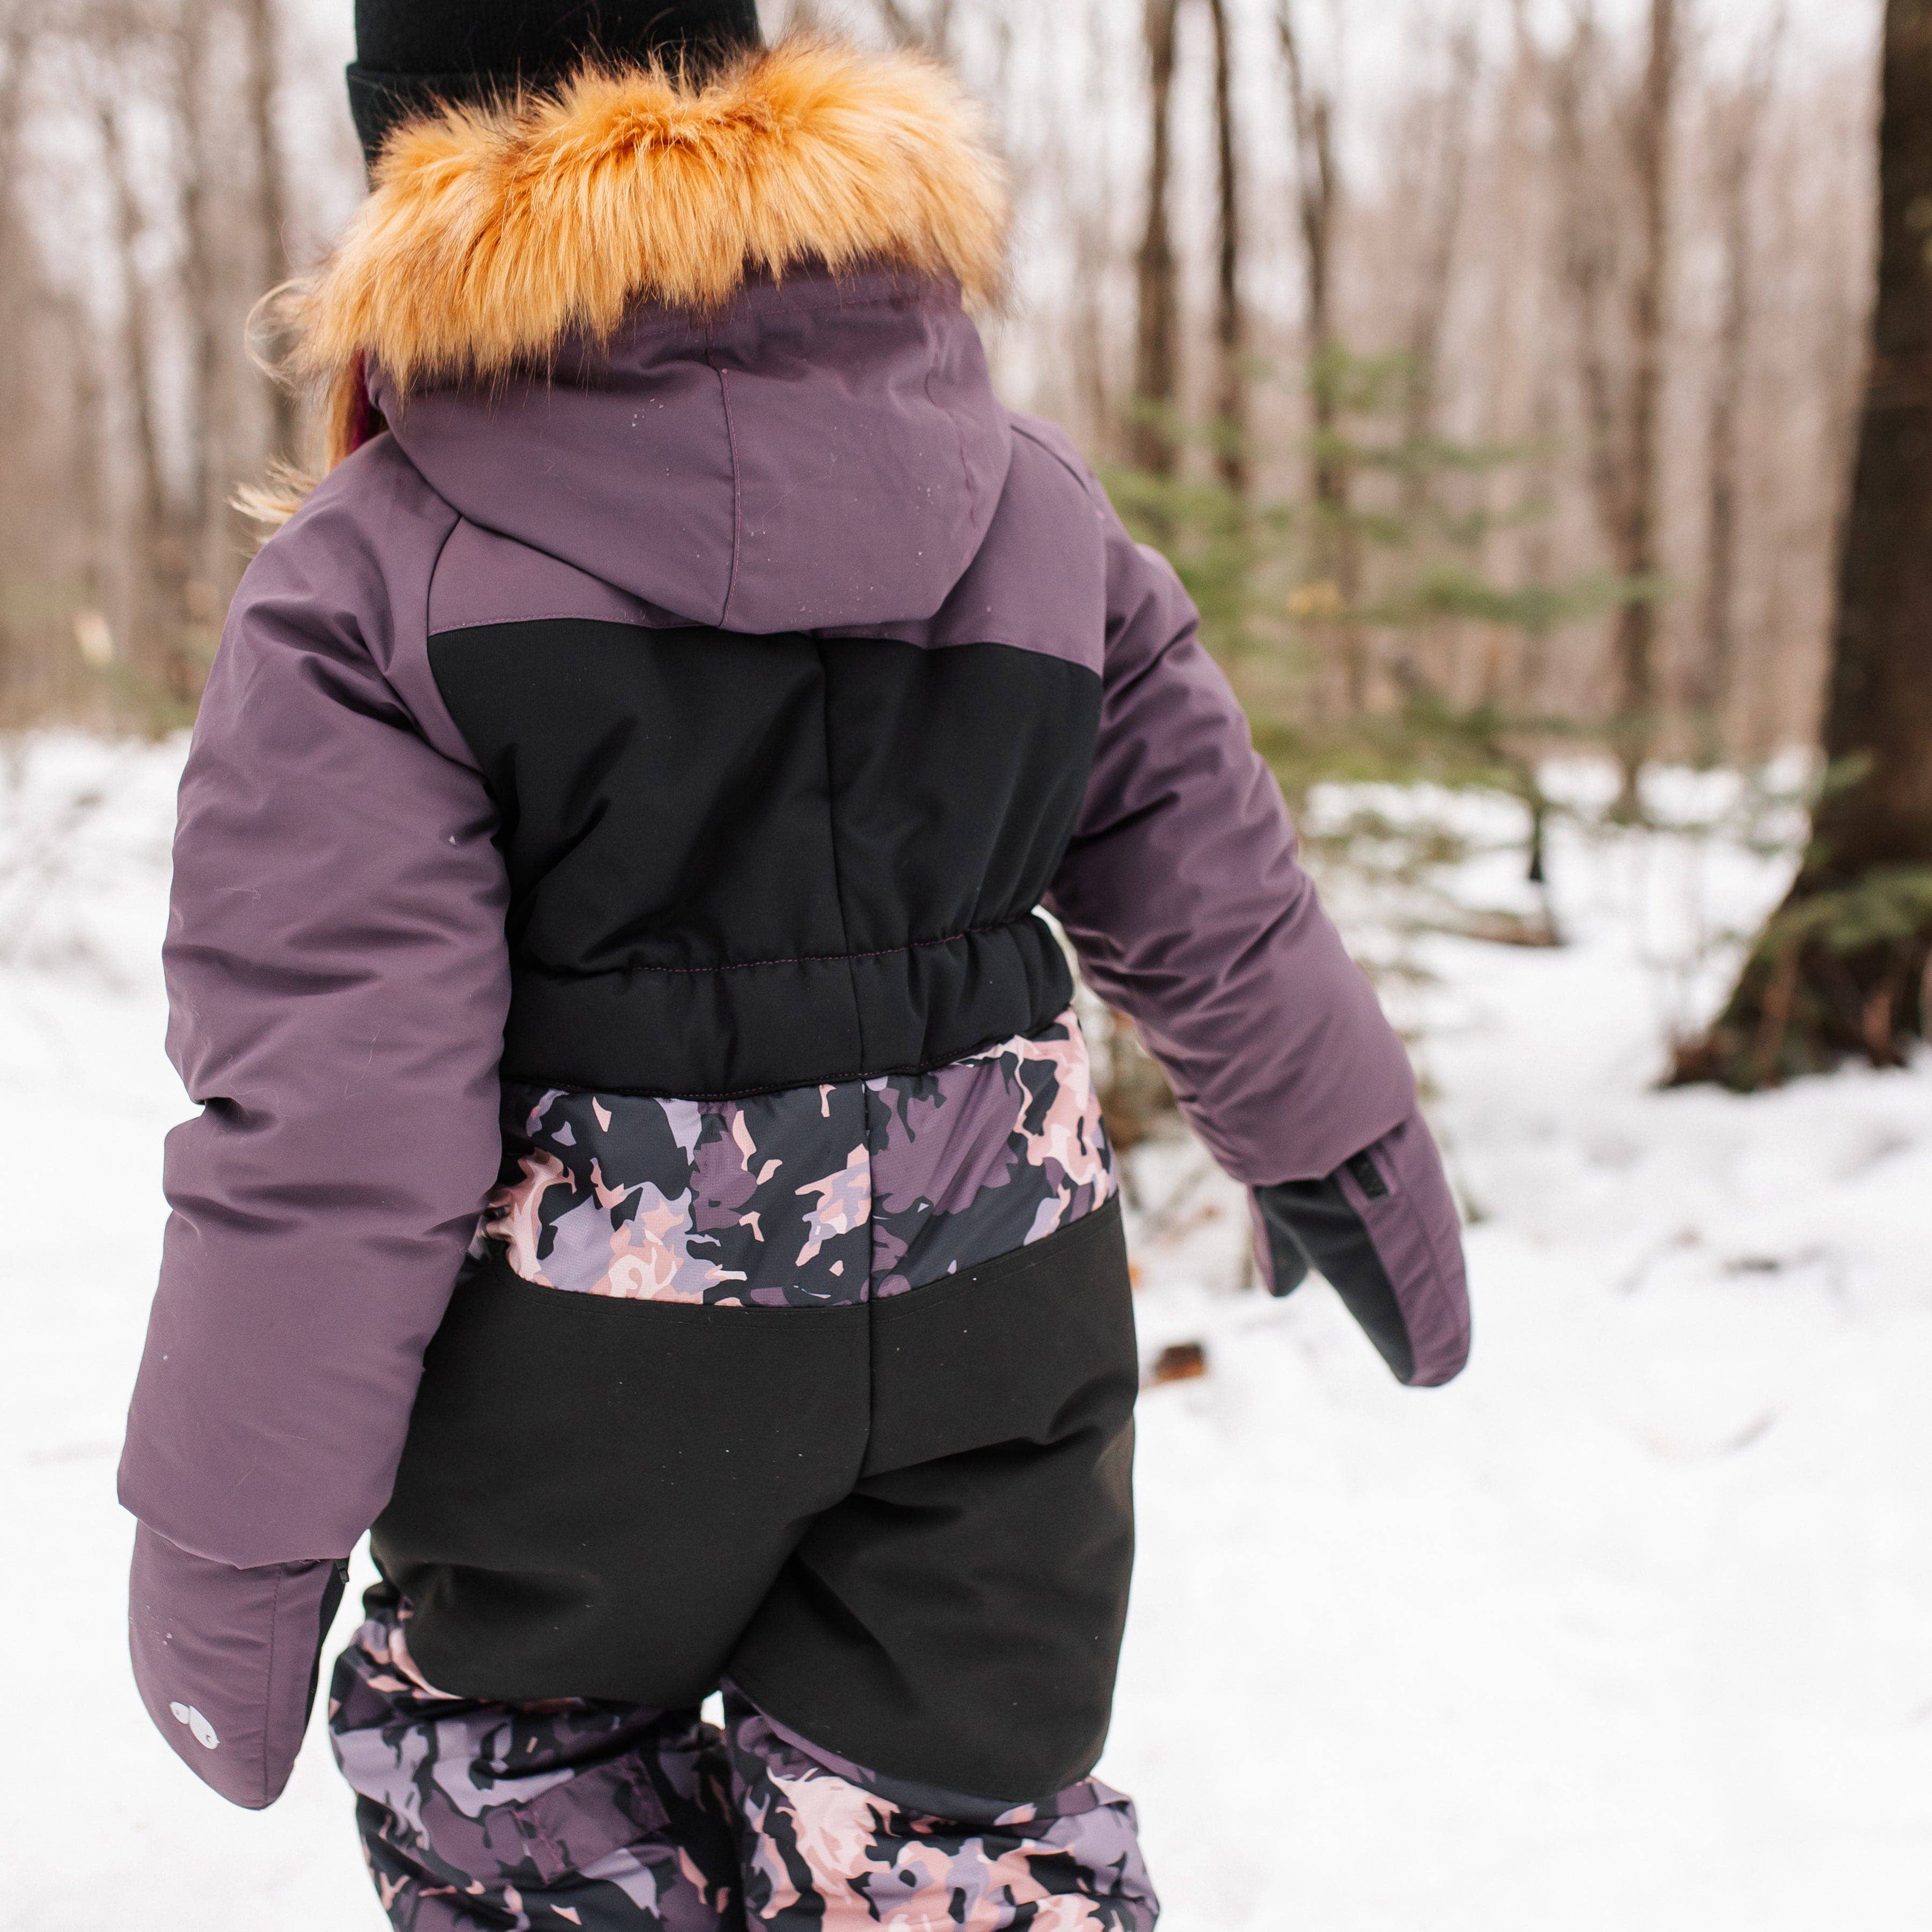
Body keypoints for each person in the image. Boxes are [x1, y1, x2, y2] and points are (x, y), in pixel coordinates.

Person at [117, 4, 1472, 1924]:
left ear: (408, 165)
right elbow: (1214, 888)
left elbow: (339, 1120)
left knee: (537, 1788)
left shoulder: (370, 576)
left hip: (584, 1386)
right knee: (958, 1829)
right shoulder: (1029, 503)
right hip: (1000, 1318)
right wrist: (1344, 1153)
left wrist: (237, 1532)